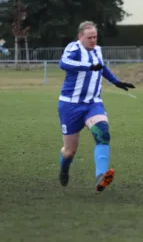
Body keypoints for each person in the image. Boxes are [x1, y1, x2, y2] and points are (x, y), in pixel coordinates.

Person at [58, 21, 136, 190]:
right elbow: (63, 63)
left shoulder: (97, 50)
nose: (93, 41)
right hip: (70, 106)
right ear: (80, 37)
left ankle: (101, 176)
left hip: (93, 103)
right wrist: (88, 66)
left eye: (95, 37)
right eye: (89, 38)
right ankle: (64, 168)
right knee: (69, 151)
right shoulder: (74, 48)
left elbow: (102, 68)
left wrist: (117, 82)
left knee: (103, 133)